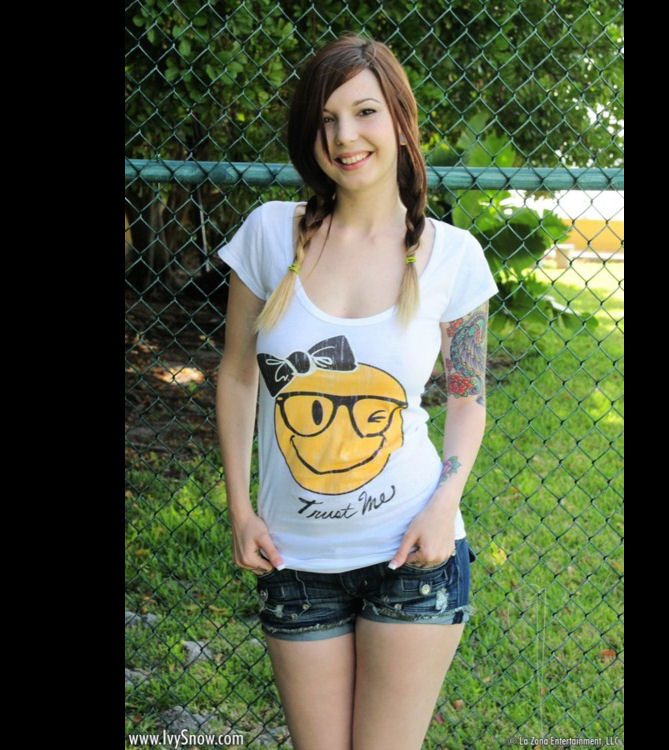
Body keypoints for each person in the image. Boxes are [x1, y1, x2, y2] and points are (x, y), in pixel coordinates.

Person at [216, 33, 498, 750]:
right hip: (293, 563)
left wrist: (444, 504)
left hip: (412, 557)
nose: (345, 137)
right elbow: (238, 374)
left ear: (400, 120)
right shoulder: (269, 235)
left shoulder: (453, 256)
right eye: (326, 119)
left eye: (365, 112)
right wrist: (240, 509)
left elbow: (467, 397)